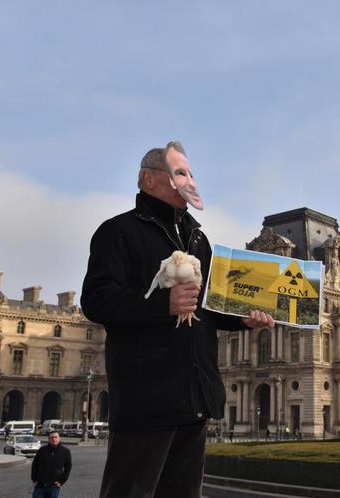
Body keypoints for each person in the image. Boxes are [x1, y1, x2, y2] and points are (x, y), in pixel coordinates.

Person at [81, 141, 274, 498]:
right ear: (148, 179)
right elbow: (95, 301)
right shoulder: (119, 231)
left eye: (191, 174)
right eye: (179, 174)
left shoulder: (198, 239)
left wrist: (243, 319)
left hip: (194, 394)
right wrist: (162, 304)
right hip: (147, 397)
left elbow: (208, 306)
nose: (190, 182)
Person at [31, 431, 72, 498]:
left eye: (56, 437)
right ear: (49, 439)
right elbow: (35, 464)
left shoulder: (65, 451)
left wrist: (61, 481)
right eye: (51, 437)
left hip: (54, 485)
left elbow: (68, 467)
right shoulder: (42, 450)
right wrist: (34, 479)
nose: (54, 439)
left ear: (59, 438)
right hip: (40, 484)